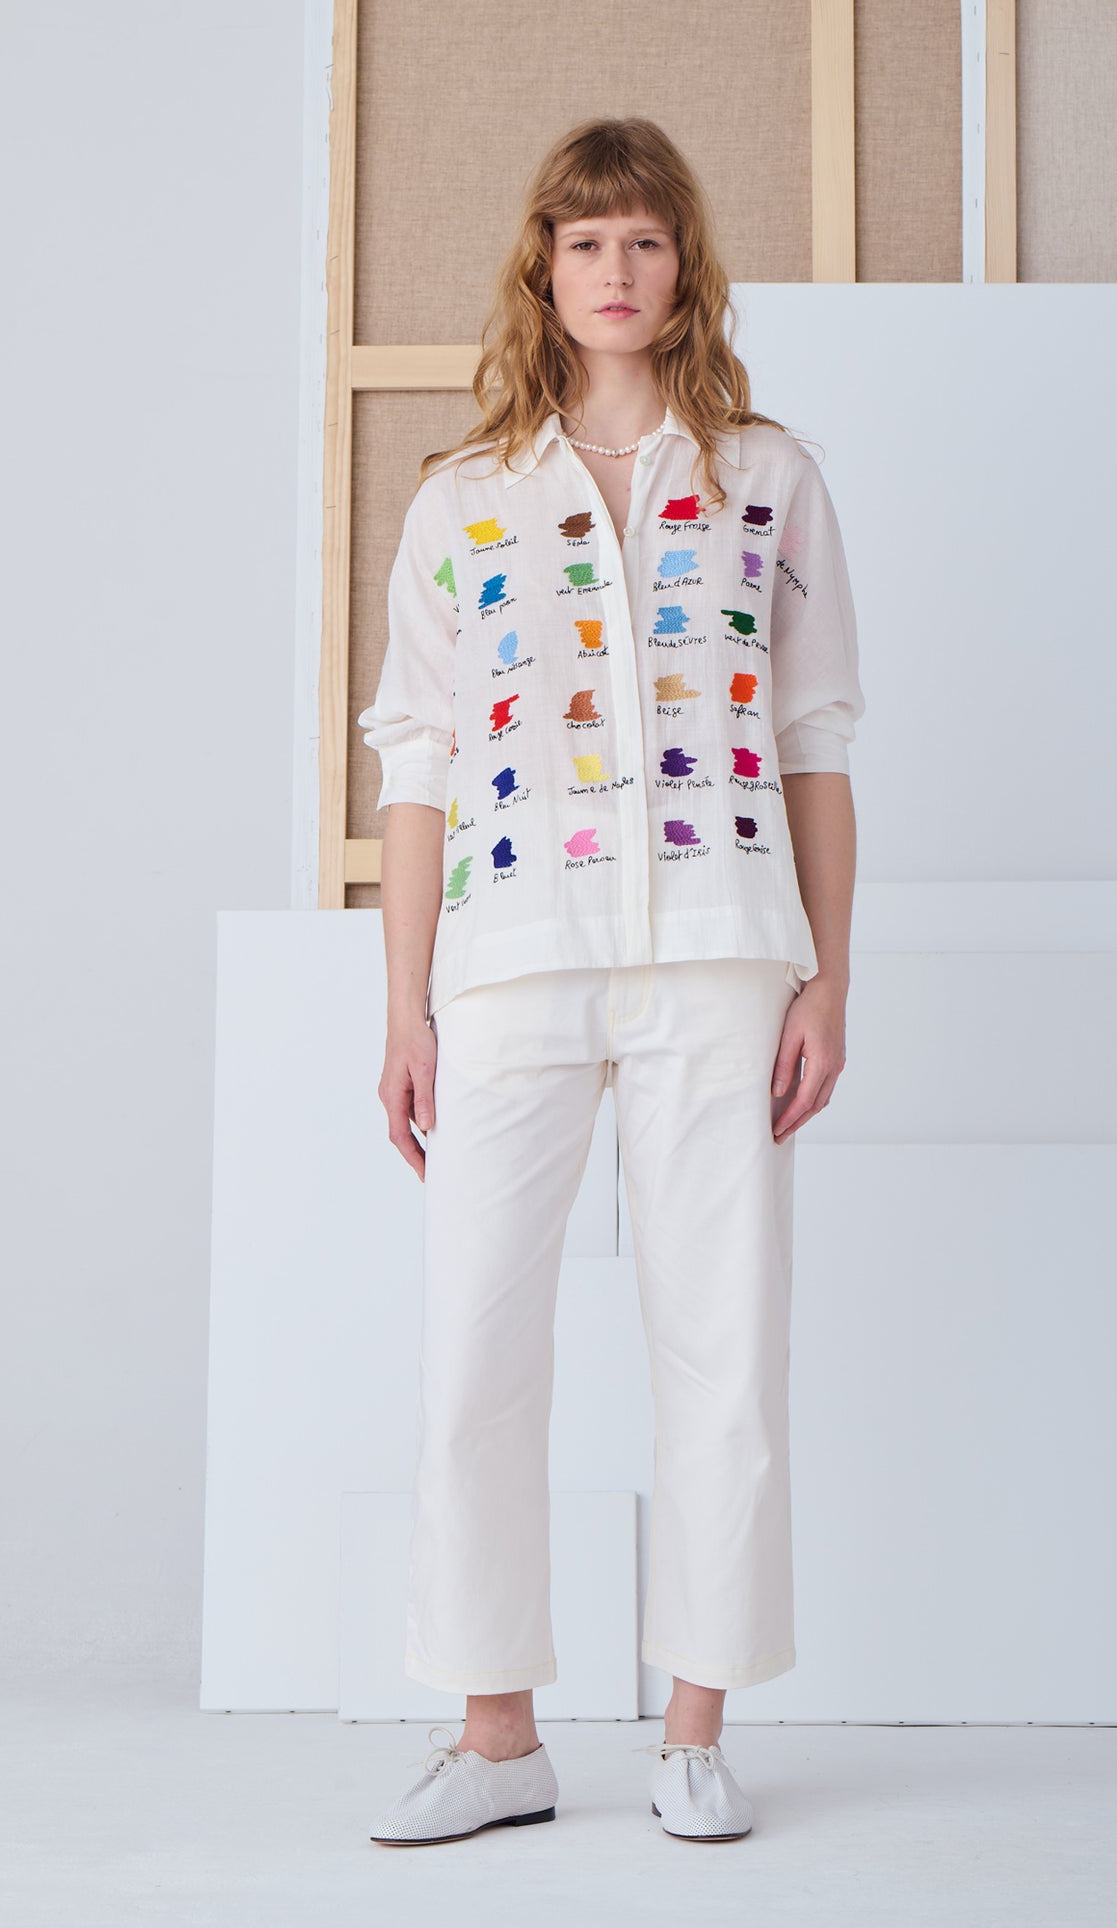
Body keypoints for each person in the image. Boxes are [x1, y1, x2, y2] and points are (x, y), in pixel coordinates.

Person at [357, 116, 864, 1846]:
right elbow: (415, 766)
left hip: (721, 955)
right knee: (472, 1349)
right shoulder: (463, 498)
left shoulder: (769, 478)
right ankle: (496, 1737)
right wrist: (405, 1006)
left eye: (644, 239)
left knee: (722, 1344)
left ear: (683, 264)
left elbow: (814, 742)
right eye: (585, 242)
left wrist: (826, 982)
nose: (616, 271)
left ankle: (694, 1730)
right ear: (544, 269)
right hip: (510, 964)